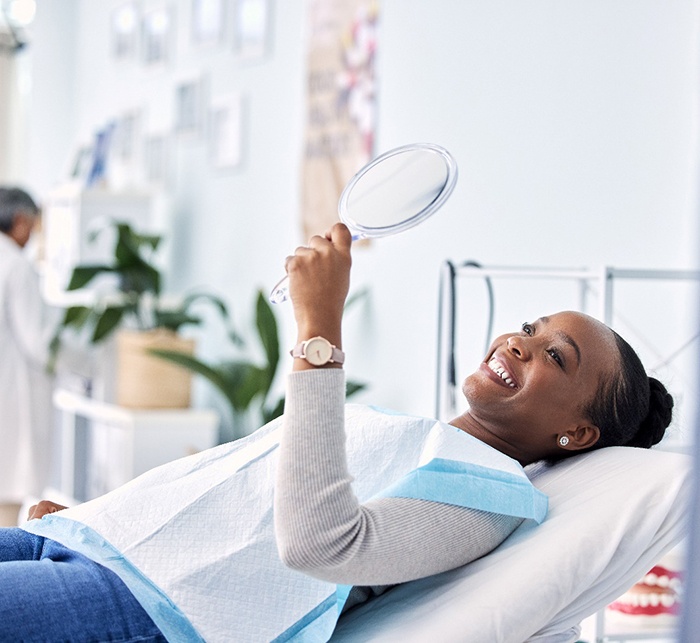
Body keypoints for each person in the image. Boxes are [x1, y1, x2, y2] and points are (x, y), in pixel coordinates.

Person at [0, 223, 674, 642]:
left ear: (579, 433)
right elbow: (237, 483)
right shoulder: (416, 432)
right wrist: (104, 517)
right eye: (531, 328)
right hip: (89, 541)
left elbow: (319, 543)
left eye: (557, 355)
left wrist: (318, 330)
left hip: (148, 608)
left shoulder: (491, 495)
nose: (521, 342)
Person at [0, 187, 55, 528]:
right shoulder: (16, 266)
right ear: (20, 221)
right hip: (10, 397)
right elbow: (38, 341)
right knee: (7, 507)